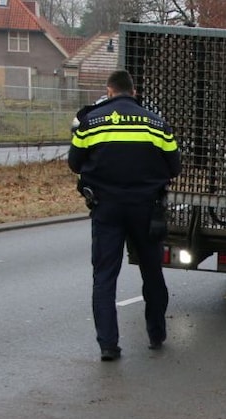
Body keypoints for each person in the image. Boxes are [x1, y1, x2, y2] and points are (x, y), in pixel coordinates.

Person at [69, 70, 181, 361]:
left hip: (106, 208)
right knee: (152, 272)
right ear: (133, 91)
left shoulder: (90, 122)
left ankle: (108, 345)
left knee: (104, 277)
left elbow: (74, 163)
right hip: (145, 208)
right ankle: (156, 334)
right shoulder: (155, 123)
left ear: (109, 91)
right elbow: (175, 165)